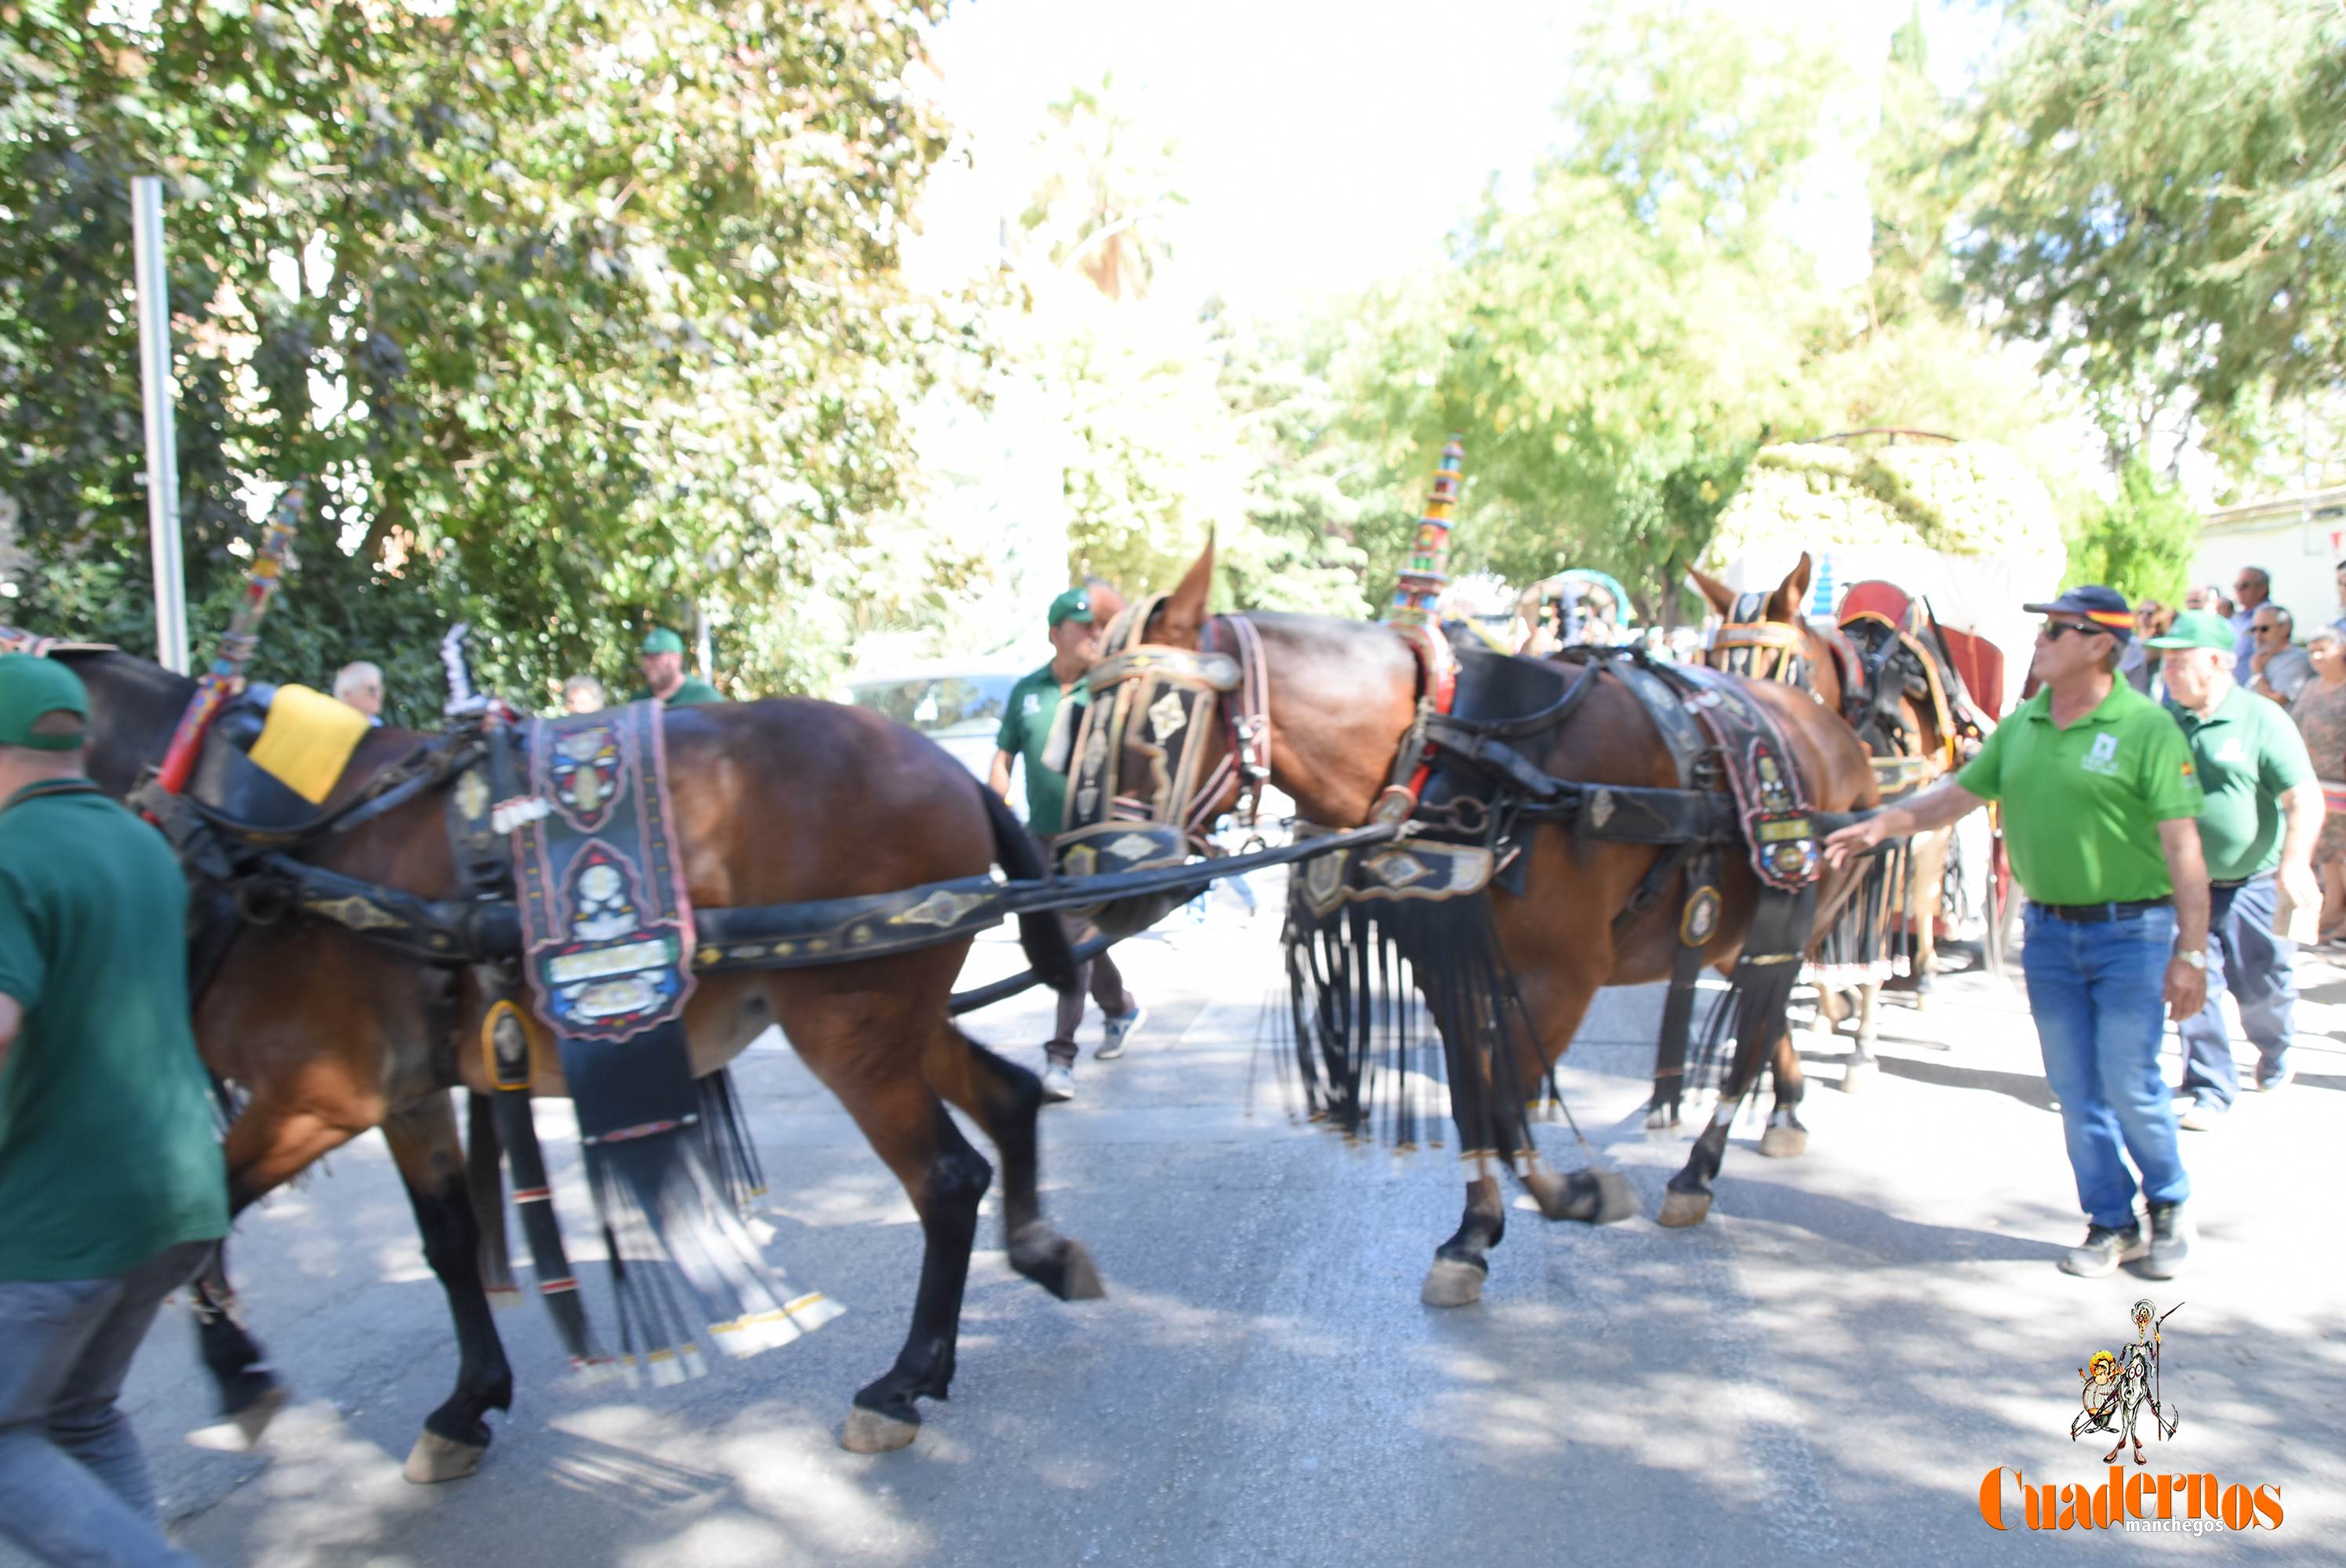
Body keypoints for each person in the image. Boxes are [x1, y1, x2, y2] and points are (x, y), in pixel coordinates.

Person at [1825, 586, 2209, 1280]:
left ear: (2101, 646)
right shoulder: (2026, 722)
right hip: (2053, 936)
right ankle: (2111, 1221)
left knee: (2128, 1080)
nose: (2043, 639)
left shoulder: (2148, 728)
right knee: (2074, 1085)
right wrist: (1882, 823)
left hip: (2135, 933)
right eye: (2047, 628)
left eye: (2060, 630)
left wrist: (2192, 951)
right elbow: (1957, 796)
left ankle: (2171, 1203)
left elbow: (2184, 848)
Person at [0, 655, 225, 1568]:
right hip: (175, 1200)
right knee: (80, 1416)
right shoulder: (140, 843)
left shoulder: (12, 859)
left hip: (60, 1219)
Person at [2148, 609, 2320, 1124]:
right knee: (2194, 977)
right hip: (2186, 886)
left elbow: (2304, 798)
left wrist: (2295, 864)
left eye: (2181, 662)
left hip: (2254, 886)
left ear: (2220, 662)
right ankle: (2210, 1086)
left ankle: (2276, 1047)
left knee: (2263, 986)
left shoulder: (2261, 719)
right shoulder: (2162, 720)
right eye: (2167, 662)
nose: (2169, 672)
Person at [990, 589, 1144, 1102]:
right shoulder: (1027, 691)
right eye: (1085, 627)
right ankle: (1121, 1008)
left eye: (1100, 626)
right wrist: (996, 816)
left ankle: (1060, 1056)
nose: (1095, 635)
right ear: (1057, 633)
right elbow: (1004, 758)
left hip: (1092, 840)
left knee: (1071, 941)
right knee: (1067, 937)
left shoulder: (1111, 690)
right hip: (1038, 837)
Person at [2290, 628, 2346, 942]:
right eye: (2311, 651)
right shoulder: (2311, 687)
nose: (2316, 657)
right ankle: (2334, 908)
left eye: (2323, 649)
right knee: (2325, 851)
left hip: (2341, 777)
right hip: (2316, 779)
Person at [631, 629, 724, 706]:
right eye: (646, 656)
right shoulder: (638, 701)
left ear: (677, 658)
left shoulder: (704, 697)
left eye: (656, 655)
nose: (649, 662)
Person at [2246, 604, 2315, 706]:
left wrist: (2258, 673)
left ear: (2285, 628)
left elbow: (2275, 703)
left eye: (2264, 629)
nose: (2258, 635)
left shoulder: (2298, 661)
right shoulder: (2261, 658)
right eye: (2254, 629)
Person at [2118, 601, 2170, 696]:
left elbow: (2130, 664)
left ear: (2159, 617)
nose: (2144, 616)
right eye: (2141, 612)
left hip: (2147, 694)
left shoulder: (2158, 643)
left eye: (2150, 613)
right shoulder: (2131, 639)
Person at [2228, 568, 2269, 682]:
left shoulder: (2267, 617)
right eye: (2236, 585)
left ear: (2262, 589)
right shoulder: (2240, 617)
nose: (2239, 590)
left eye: (2245, 585)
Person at [332, 659, 384, 725]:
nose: (378, 695)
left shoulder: (377, 724)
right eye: (372, 690)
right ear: (348, 694)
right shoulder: (332, 724)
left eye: (379, 689)